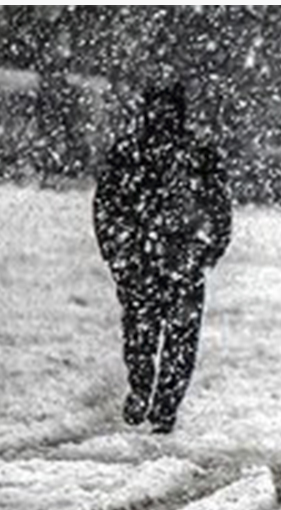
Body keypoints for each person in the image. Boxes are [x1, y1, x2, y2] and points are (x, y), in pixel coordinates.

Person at [93, 83, 232, 434]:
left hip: (157, 259)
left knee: (147, 333)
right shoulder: (192, 153)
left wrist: (118, 251)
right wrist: (205, 251)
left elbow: (106, 207)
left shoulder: (133, 153)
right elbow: (219, 209)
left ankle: (151, 396)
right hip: (168, 260)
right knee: (171, 338)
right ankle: (158, 401)